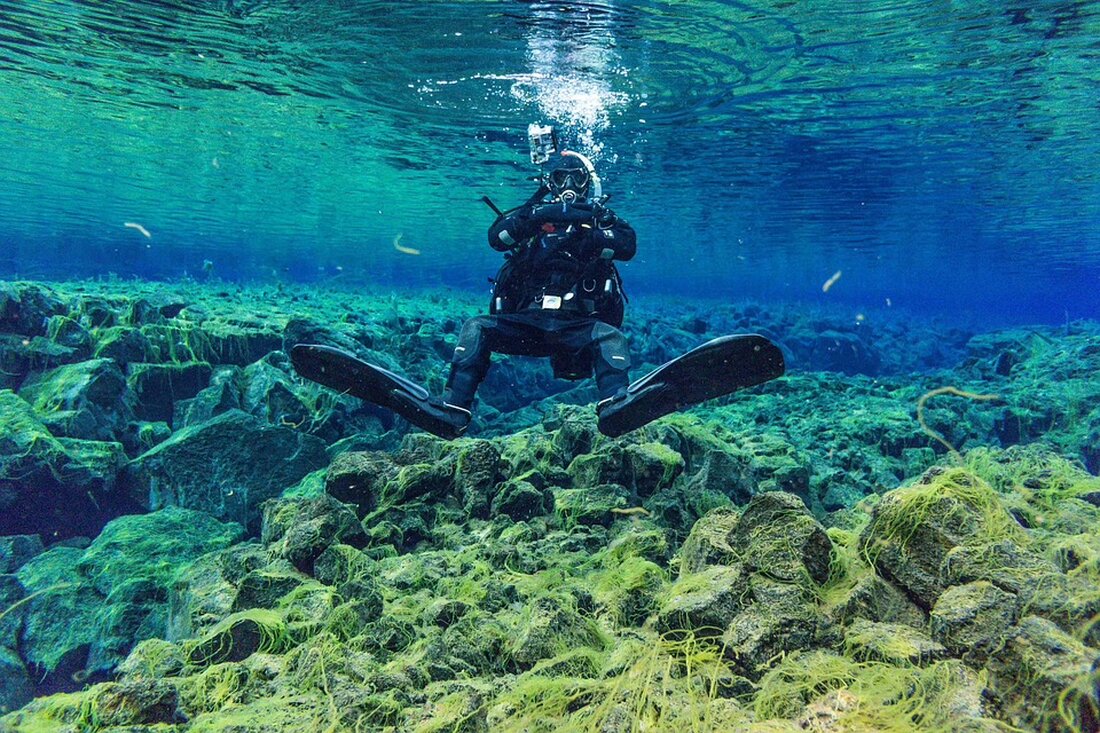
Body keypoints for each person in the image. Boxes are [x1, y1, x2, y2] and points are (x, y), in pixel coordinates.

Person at [435, 157, 637, 435]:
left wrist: (587, 222)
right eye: (559, 177)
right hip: (526, 325)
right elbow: (497, 238)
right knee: (475, 327)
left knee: (611, 337)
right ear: (549, 182)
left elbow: (627, 245)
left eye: (577, 178)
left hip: (577, 329)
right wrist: (538, 215)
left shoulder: (598, 218)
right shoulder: (531, 217)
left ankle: (616, 407)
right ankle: (453, 410)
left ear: (588, 183)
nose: (568, 185)